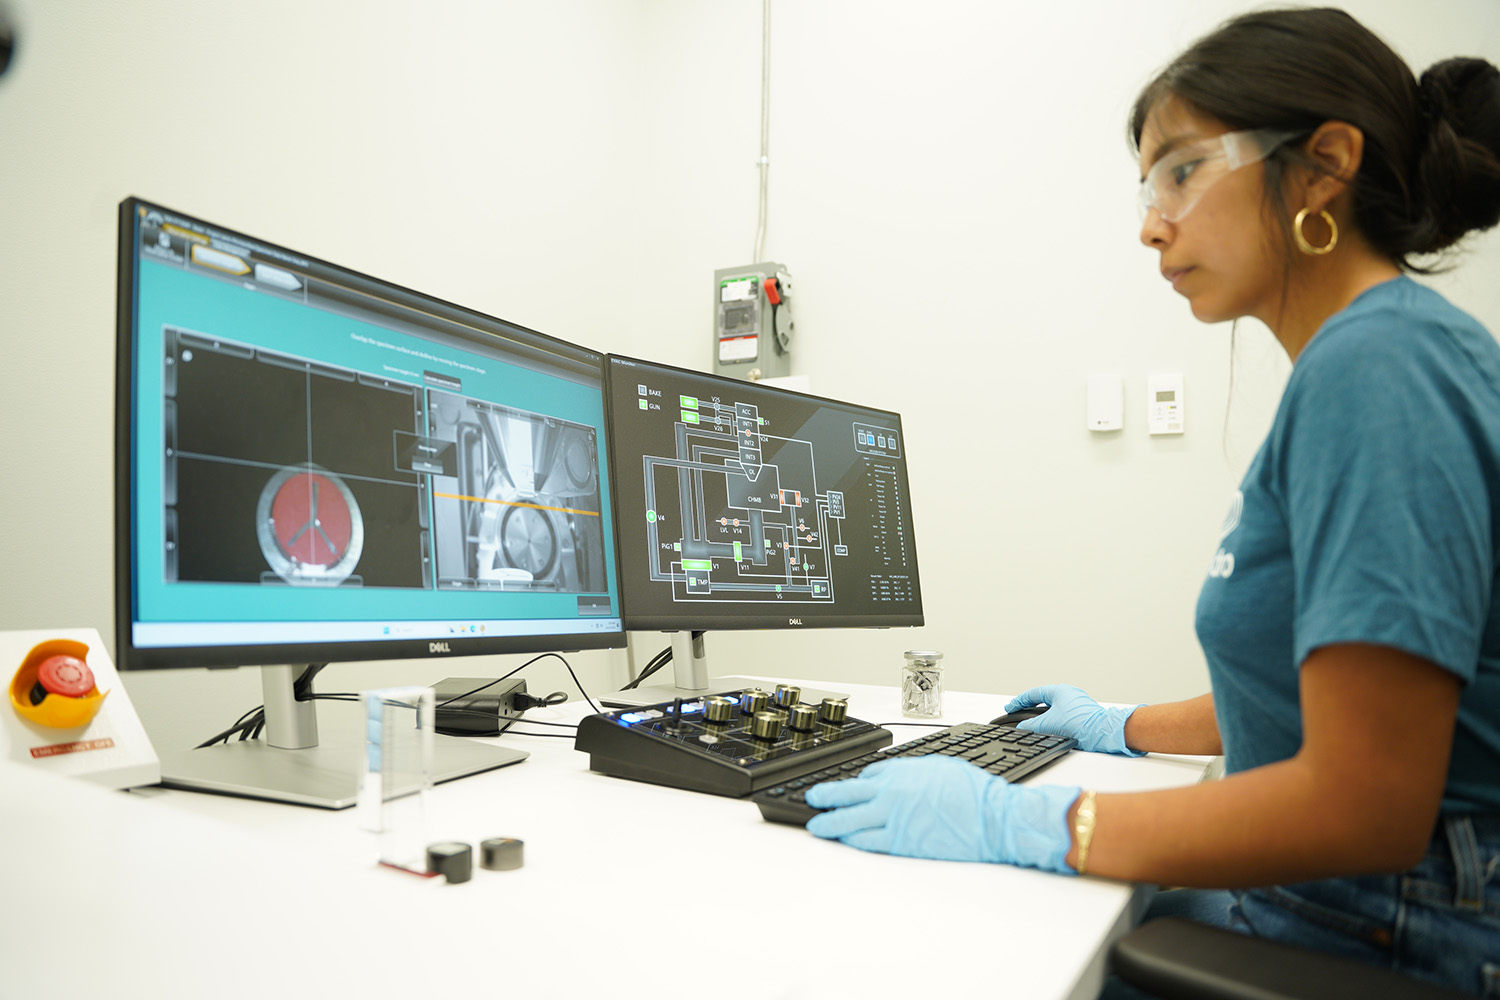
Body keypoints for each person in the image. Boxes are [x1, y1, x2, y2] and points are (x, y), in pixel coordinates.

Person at [803, 7, 1500, 995]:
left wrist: (1033, 821)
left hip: (1401, 926)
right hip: (1369, 907)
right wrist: (1120, 726)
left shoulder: (1380, 366)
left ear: (1323, 166)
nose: (1149, 225)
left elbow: (1365, 799)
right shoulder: (1382, 354)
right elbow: (1329, 707)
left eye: (1181, 170)